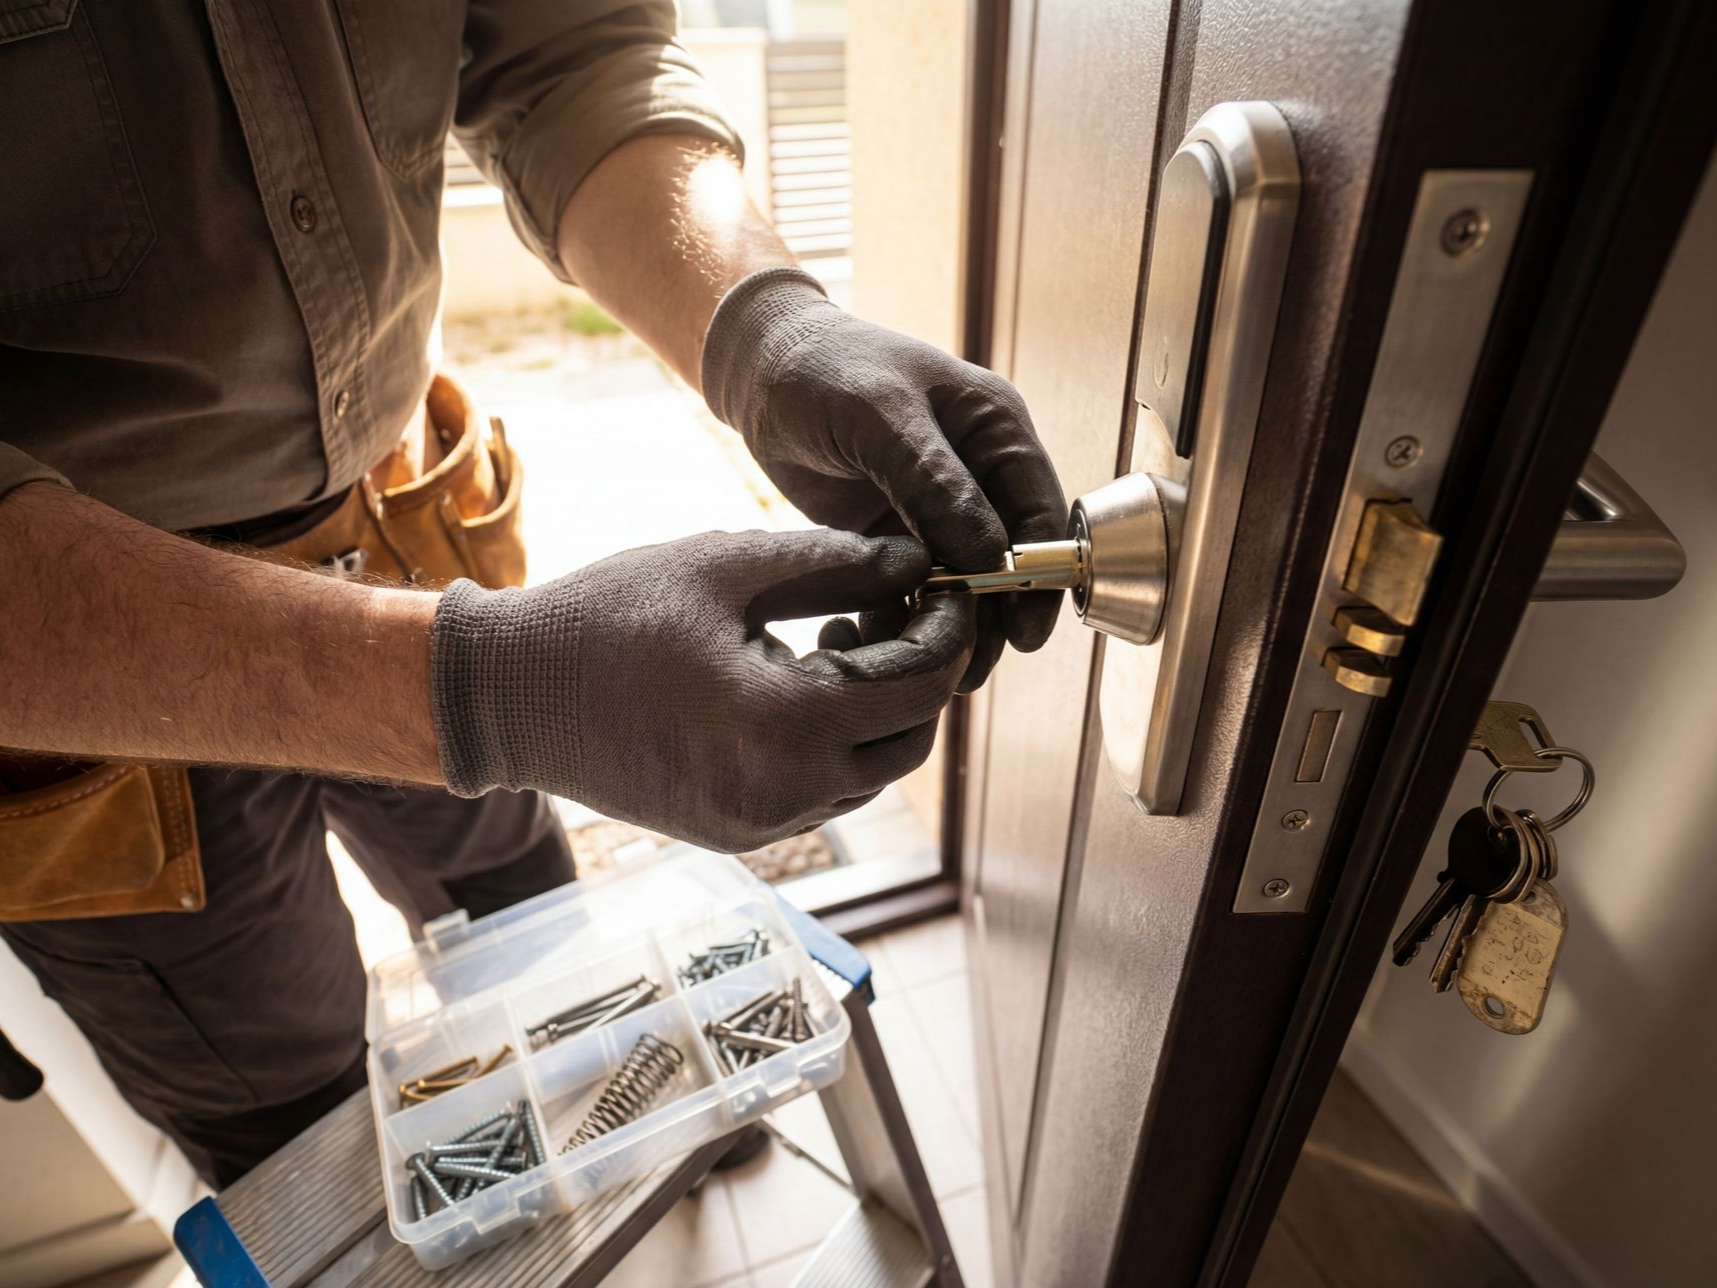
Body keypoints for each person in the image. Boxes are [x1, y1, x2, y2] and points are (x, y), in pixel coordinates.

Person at [0, 2, 1064, 1185]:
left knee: (524, 904)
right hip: (81, 674)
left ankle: (616, 1122)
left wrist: (764, 326)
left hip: (397, 524)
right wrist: (494, 689)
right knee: (299, 1129)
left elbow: (571, 56)